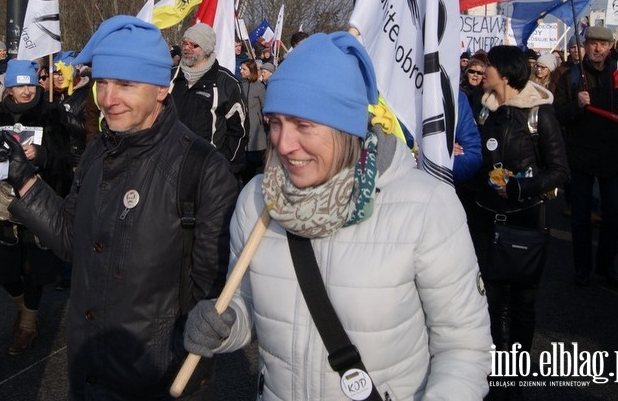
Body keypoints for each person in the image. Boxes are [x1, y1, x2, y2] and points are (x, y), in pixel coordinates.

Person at [183, 32, 491, 400]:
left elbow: (465, 349)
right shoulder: (257, 200)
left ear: (347, 127)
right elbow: (247, 301)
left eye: (303, 125)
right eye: (275, 122)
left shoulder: (426, 208)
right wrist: (226, 322)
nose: (282, 143)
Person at [0, 16, 239, 399]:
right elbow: (72, 239)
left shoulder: (201, 167)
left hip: (159, 377)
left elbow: (212, 290)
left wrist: (186, 362)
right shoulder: (98, 151)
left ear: (161, 90)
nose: (108, 98)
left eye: (126, 84)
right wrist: (25, 181)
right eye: (103, 83)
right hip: (88, 370)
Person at [463, 46, 568, 366]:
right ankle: (495, 370)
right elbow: (479, 159)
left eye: (489, 66)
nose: (482, 72)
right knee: (491, 300)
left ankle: (516, 373)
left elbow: (560, 171)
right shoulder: (482, 110)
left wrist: (521, 187)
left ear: (505, 74)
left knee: (522, 302)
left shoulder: (539, 112)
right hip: (485, 220)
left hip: (525, 221)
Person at [0, 58, 74, 355]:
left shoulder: (51, 112)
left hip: (39, 199)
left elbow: (64, 157)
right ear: (8, 88)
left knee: (35, 268)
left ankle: (27, 326)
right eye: (19, 85)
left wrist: (42, 153)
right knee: (5, 270)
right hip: (4, 205)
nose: (25, 91)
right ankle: (24, 311)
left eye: (30, 84)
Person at [554, 27, 618, 288]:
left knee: (612, 213)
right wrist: (576, 106)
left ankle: (607, 266)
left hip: (612, 158)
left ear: (610, 46)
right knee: (581, 216)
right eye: (593, 43)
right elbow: (558, 114)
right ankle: (582, 268)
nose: (597, 49)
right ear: (586, 45)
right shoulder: (571, 77)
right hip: (581, 156)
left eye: (603, 44)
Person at [170, 23, 247, 175]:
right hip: (169, 165)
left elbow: (238, 132)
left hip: (206, 170)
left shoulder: (227, 83)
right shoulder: (171, 77)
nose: (186, 48)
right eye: (185, 43)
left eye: (194, 45)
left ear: (206, 49)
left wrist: (222, 165)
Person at [238, 60, 266, 182]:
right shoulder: (238, 85)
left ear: (251, 71)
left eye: (244, 69)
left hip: (255, 129)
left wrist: (263, 120)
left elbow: (264, 106)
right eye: (241, 69)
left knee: (254, 162)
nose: (241, 71)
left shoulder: (259, 87)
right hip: (241, 127)